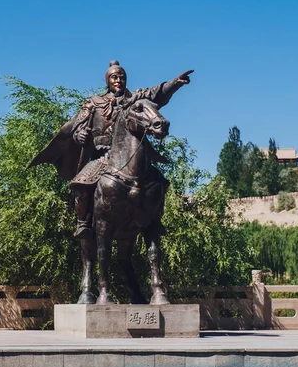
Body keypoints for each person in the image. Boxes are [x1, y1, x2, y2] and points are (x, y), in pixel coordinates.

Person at [29, 60, 193, 238]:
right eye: (114, 77)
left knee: (160, 182)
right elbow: (78, 126)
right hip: (102, 157)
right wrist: (79, 135)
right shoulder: (93, 103)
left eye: (122, 77)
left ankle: (155, 220)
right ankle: (83, 222)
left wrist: (175, 83)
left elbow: (156, 93)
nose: (118, 80)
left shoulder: (135, 99)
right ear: (107, 80)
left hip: (131, 156)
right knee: (81, 184)